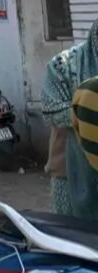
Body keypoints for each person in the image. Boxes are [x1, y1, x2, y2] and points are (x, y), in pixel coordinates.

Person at [41, 20, 98, 218]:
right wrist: (87, 108)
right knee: (70, 232)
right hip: (70, 174)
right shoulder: (64, 65)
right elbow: (51, 112)